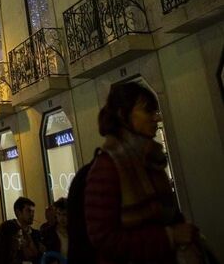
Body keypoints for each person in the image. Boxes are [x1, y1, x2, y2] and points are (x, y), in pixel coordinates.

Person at [85, 82, 199, 264]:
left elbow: (167, 214)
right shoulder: (107, 167)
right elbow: (103, 237)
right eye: (148, 111)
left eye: (155, 112)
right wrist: (169, 237)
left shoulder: (151, 160)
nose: (155, 118)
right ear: (124, 115)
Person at [3, 197, 42, 263]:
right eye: (28, 211)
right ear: (18, 212)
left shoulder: (36, 234)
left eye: (33, 211)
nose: (32, 214)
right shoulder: (8, 231)